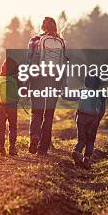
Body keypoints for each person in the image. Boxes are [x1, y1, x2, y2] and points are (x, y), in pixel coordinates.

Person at [27, 17, 66, 156]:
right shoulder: (60, 42)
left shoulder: (34, 40)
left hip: (37, 79)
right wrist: (63, 85)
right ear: (55, 26)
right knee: (49, 115)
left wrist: (26, 83)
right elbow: (63, 66)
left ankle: (34, 137)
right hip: (54, 80)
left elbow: (29, 62)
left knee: (36, 112)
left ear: (43, 27)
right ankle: (43, 148)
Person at [71, 73, 106, 169]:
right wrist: (98, 119)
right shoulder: (101, 94)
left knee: (81, 138)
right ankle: (86, 158)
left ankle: (77, 151)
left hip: (81, 117)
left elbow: (71, 97)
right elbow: (102, 109)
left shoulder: (82, 91)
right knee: (90, 140)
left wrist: (62, 94)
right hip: (93, 119)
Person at [0, 58, 19, 156]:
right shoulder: (16, 79)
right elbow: (22, 91)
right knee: (13, 126)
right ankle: (12, 148)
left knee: (1, 127)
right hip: (12, 106)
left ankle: (1, 148)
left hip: (0, 106)